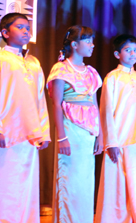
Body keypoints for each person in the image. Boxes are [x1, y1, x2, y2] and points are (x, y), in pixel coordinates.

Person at [0, 13, 50, 223]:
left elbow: (40, 99)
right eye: (20, 27)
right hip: (6, 133)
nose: (26, 31)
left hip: (30, 134)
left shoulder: (33, 63)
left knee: (26, 185)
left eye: (28, 27)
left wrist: (44, 131)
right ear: (5, 32)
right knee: (2, 184)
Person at [47, 25, 103, 223]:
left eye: (92, 40)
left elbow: (94, 103)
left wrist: (100, 134)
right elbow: (56, 104)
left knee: (85, 180)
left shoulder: (91, 72)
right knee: (69, 178)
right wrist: (61, 136)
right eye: (87, 41)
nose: (92, 45)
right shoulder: (61, 69)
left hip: (89, 130)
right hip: (70, 128)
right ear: (74, 44)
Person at [96, 34, 136, 222]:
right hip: (118, 141)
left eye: (135, 50)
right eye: (127, 50)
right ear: (117, 54)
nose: (132, 53)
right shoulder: (112, 77)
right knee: (116, 188)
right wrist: (110, 142)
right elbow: (106, 110)